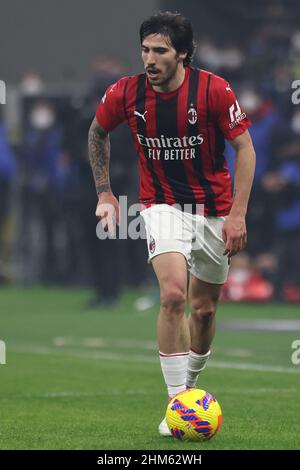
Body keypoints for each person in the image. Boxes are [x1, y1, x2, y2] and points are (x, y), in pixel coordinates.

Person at [88, 11, 256, 437]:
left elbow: (246, 150)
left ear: (182, 53)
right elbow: (97, 132)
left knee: (203, 309)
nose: (149, 58)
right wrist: (105, 193)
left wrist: (237, 214)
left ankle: (191, 387)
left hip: (214, 211)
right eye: (145, 49)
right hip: (161, 205)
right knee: (174, 295)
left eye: (160, 51)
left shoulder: (214, 91)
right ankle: (177, 403)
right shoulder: (125, 93)